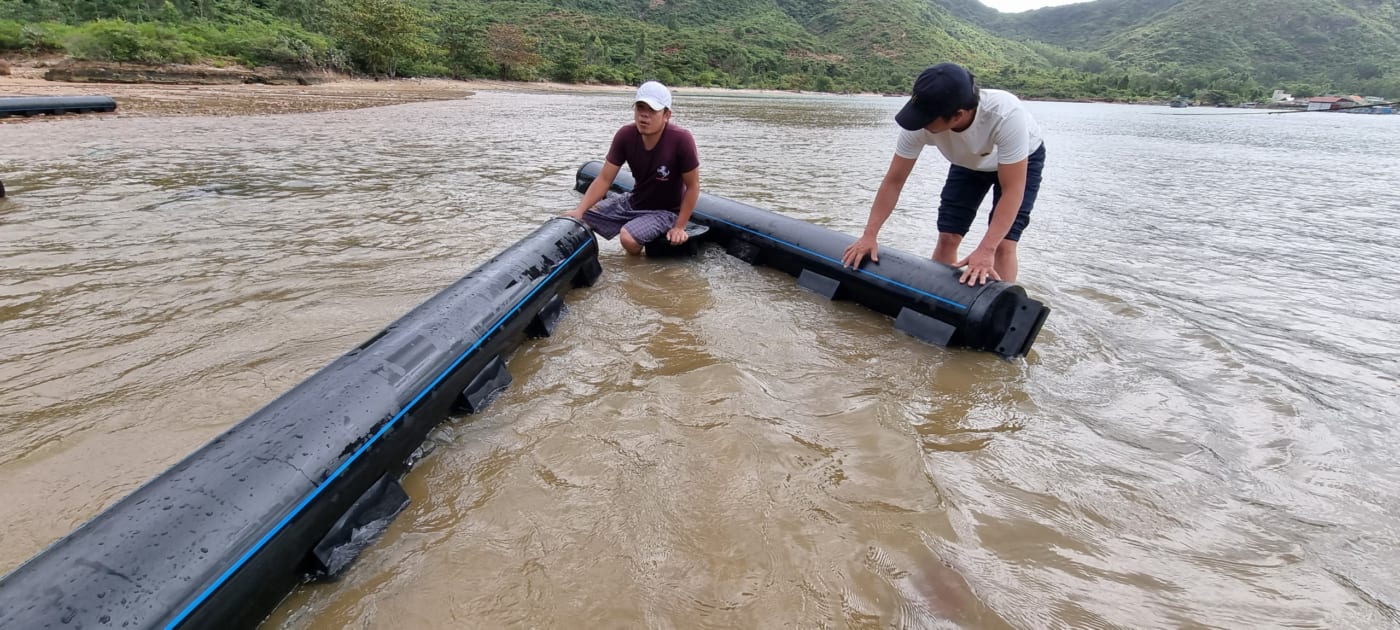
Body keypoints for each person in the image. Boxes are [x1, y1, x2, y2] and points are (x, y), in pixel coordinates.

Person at [841, 62, 1045, 285]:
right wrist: (870, 234)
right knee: (948, 236)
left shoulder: (1005, 115)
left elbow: (1013, 190)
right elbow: (894, 181)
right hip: (966, 162)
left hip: (1020, 161)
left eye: (926, 120)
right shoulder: (919, 123)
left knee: (1003, 244)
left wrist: (985, 249)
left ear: (958, 115)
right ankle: (935, 303)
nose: (919, 124)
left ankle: (1001, 310)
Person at [567, 81, 700, 255]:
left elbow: (693, 186)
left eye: (652, 110)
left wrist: (680, 227)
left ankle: (636, 268)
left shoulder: (681, 139)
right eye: (640, 108)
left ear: (667, 115)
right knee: (576, 219)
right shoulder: (626, 135)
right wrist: (580, 210)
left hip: (666, 211)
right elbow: (604, 179)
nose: (644, 115)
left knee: (627, 237)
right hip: (634, 201)